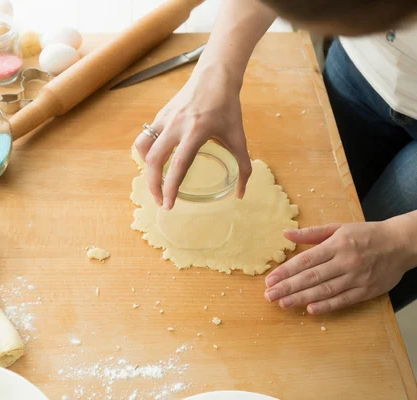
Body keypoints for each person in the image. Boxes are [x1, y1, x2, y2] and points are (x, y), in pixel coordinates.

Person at [134, 0, 417, 315]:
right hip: (362, 69)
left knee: (346, 295)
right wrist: (216, 71)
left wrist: (402, 241)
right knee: (328, 219)